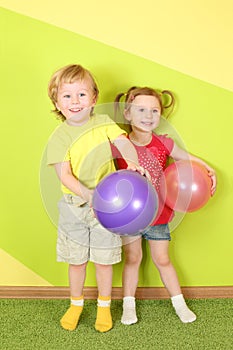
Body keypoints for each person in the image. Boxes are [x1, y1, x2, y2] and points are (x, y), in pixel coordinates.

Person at [46, 65, 145, 332]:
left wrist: (133, 163)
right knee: (76, 261)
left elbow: (124, 143)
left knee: (104, 259)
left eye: (81, 94)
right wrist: (88, 194)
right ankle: (76, 304)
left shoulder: (103, 123)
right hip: (74, 207)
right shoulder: (59, 137)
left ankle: (104, 306)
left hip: (107, 206)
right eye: (67, 96)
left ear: (93, 98)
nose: (74, 101)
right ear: (57, 102)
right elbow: (64, 175)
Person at [113, 86, 217, 325]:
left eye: (154, 110)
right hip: (130, 216)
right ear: (127, 114)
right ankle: (129, 306)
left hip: (158, 214)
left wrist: (208, 169)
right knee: (132, 258)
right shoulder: (120, 143)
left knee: (163, 259)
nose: (148, 116)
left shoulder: (164, 143)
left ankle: (179, 303)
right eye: (141, 110)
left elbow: (185, 157)